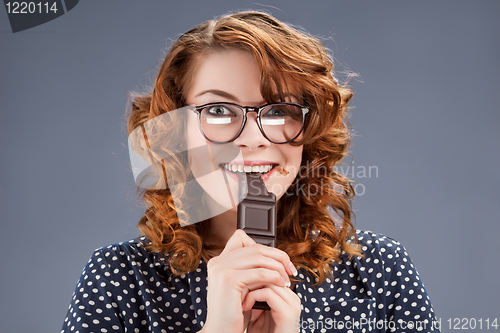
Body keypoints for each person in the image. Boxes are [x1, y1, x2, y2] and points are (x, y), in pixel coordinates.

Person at [62, 11, 440, 333]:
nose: (252, 138)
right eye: (219, 111)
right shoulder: (120, 278)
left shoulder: (378, 271)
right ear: (175, 128)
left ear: (309, 131)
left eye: (278, 111)